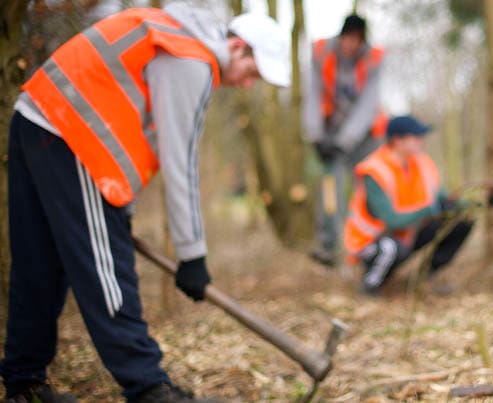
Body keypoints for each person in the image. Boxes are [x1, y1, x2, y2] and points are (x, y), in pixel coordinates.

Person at [1, 3, 290, 402]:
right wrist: (192, 254)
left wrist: (123, 210)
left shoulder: (172, 33)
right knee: (108, 272)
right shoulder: (192, 59)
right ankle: (148, 387)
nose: (245, 85)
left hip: (36, 116)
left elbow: (141, 133)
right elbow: (179, 157)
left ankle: (24, 383)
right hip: (74, 136)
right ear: (239, 47)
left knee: (39, 263)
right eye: (252, 73)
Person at [343, 116, 474, 296]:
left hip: (407, 236)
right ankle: (370, 284)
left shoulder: (420, 163)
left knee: (461, 222)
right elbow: (391, 221)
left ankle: (426, 276)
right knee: (389, 248)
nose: (422, 141)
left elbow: (437, 194)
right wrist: (430, 209)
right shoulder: (374, 171)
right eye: (416, 137)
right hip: (371, 242)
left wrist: (466, 204)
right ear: (398, 140)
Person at [303, 14, 389, 267]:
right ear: (340, 37)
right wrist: (316, 135)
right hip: (330, 133)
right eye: (347, 38)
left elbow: (367, 105)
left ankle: (373, 245)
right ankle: (329, 246)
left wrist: (345, 139)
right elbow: (313, 94)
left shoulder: (374, 58)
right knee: (329, 187)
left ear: (362, 41)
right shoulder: (321, 52)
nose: (350, 45)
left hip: (365, 135)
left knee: (369, 187)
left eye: (356, 40)